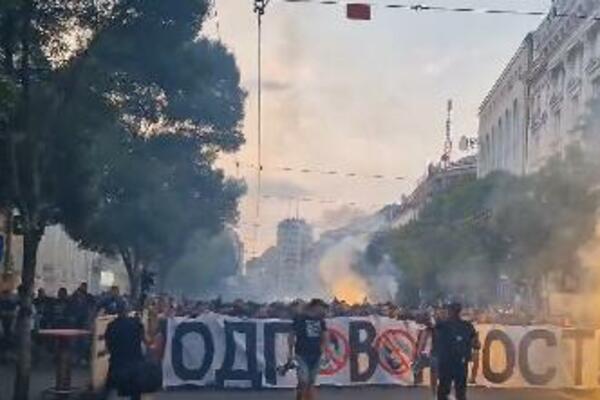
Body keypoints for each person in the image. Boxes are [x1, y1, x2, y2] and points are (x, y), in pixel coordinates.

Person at [434, 302, 480, 400]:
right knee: (461, 392)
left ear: (449, 311)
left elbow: (431, 325)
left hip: (445, 363)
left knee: (443, 391)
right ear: (459, 312)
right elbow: (477, 344)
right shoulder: (468, 326)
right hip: (461, 363)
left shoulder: (442, 325)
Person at [105, 302, 147, 400]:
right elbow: (143, 340)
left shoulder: (111, 326)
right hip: (134, 362)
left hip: (117, 362)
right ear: (127, 311)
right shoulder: (136, 324)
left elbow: (108, 344)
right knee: (135, 390)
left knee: (111, 388)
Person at [287, 298, 328, 400]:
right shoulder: (299, 318)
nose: (323, 311)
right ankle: (300, 395)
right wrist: (290, 352)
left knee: (310, 382)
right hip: (301, 354)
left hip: (316, 355)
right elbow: (291, 335)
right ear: (315, 306)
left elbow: (325, 336)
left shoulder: (320, 320)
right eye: (322, 307)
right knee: (304, 380)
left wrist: (324, 352)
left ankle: (302, 395)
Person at [0, 288, 17, 361]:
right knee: (6, 339)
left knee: (8, 338)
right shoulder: (3, 303)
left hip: (9, 324)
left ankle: (7, 355)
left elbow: (14, 313)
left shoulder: (11, 303)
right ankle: (5, 355)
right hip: (4, 324)